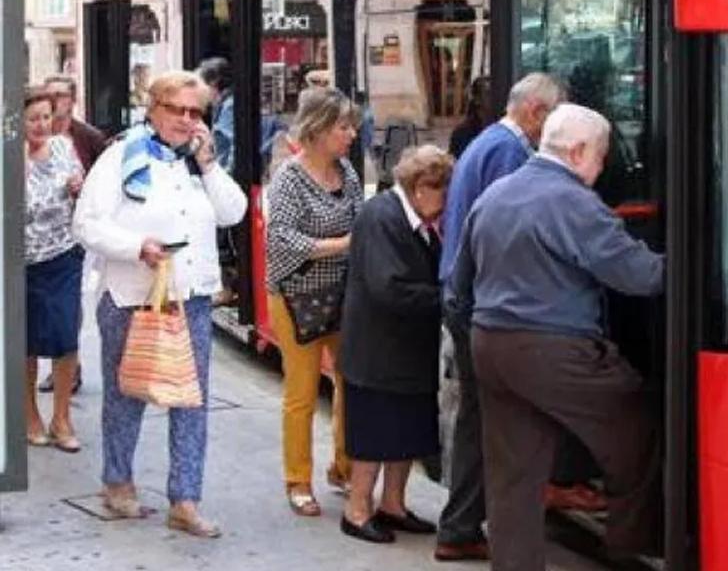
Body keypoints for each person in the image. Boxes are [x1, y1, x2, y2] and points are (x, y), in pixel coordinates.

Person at [446, 104, 664, 571]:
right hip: (555, 350)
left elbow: (459, 284)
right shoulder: (576, 203)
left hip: (489, 343)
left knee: (514, 473)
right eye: (601, 158)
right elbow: (638, 276)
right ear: (579, 150)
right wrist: (702, 267)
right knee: (637, 427)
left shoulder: (497, 194)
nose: (601, 169)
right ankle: (630, 546)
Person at [73, 70, 247, 536]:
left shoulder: (196, 162)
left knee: (191, 401)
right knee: (126, 393)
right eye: (179, 110)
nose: (188, 121)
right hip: (132, 295)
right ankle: (118, 483)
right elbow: (86, 224)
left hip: (188, 297)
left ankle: (185, 499)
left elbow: (234, 213)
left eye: (197, 112)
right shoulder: (120, 156)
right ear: (154, 109)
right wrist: (137, 247)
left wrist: (210, 165)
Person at [435, 72, 567, 562]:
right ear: (535, 111)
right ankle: (463, 524)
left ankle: (462, 523)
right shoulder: (510, 154)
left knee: (478, 417)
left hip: (464, 295)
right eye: (552, 118)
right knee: (490, 421)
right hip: (479, 303)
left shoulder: (488, 142)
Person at [338, 145, 454, 544]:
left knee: (407, 433)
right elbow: (388, 288)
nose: (445, 205)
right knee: (374, 435)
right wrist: (445, 299)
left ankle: (392, 505)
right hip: (378, 353)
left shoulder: (413, 216)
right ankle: (356, 511)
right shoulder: (381, 217)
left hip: (408, 351)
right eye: (442, 194)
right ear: (422, 187)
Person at [266, 86, 360, 517]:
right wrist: (342, 244)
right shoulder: (288, 177)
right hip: (295, 297)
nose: (352, 134)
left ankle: (343, 467)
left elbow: (361, 219)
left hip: (342, 295)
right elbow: (281, 238)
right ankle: (297, 480)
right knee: (301, 393)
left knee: (350, 385)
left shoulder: (348, 173)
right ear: (319, 129)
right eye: (343, 126)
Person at [24, 86, 85, 452]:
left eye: (47, 117)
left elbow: (79, 182)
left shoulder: (63, 146)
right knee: (26, 341)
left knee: (66, 337)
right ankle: (29, 414)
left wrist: (78, 186)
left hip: (62, 256)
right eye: (34, 118)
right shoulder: (10, 153)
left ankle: (62, 418)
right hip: (22, 261)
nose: (42, 125)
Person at [40, 74, 107, 395]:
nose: (54, 101)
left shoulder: (89, 137)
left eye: (61, 95)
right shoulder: (35, 133)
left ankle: (69, 364)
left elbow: (105, 183)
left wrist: (84, 190)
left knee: (72, 300)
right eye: (49, 94)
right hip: (40, 235)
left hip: (79, 232)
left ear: (73, 99)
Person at [196, 57, 235, 171]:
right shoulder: (221, 106)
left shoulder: (229, 107)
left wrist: (227, 178)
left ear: (213, 83)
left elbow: (236, 147)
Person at [449, 76, 493, 159]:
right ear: (477, 100)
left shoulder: (504, 124)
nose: (494, 98)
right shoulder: (462, 133)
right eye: (489, 94)